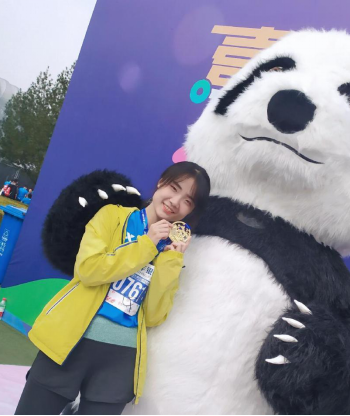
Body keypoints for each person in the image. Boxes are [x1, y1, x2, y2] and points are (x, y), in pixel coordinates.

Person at [15, 162, 211, 416]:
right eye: (174, 188)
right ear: (161, 182)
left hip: (120, 359)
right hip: (69, 342)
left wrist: (172, 260)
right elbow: (88, 270)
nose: (175, 202)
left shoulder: (170, 250)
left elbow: (154, 315)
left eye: (188, 201)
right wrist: (147, 244)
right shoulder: (112, 216)